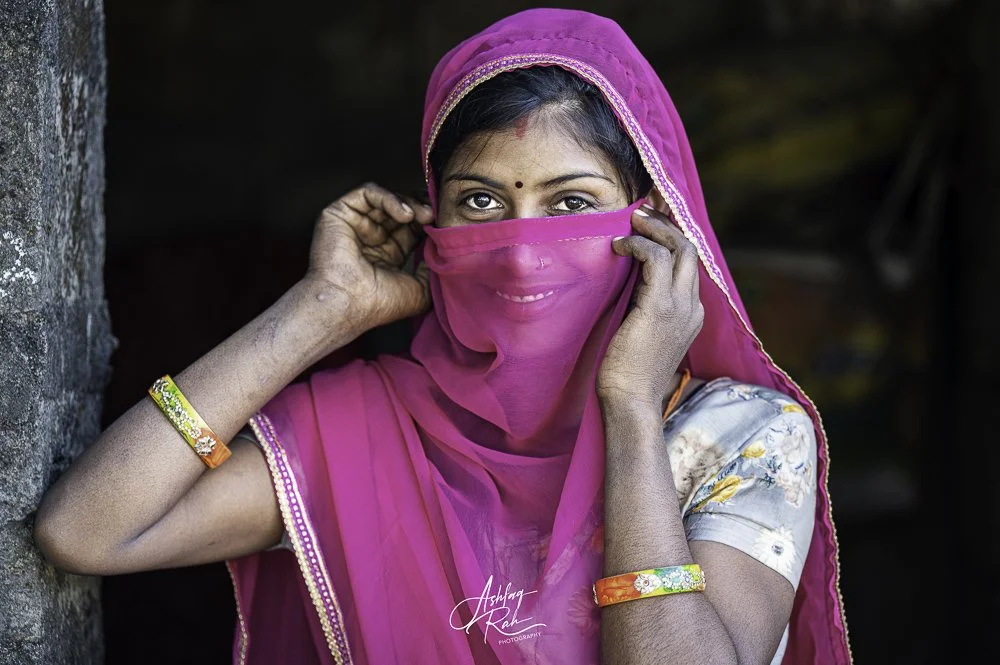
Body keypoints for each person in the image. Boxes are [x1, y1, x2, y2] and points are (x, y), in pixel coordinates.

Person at [33, 8, 851, 665]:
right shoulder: (370, 427)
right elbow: (86, 529)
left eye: (571, 203)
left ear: (653, 221)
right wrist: (318, 310)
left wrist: (631, 406)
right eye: (482, 203)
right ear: (437, 222)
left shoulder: (743, 435)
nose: (525, 247)